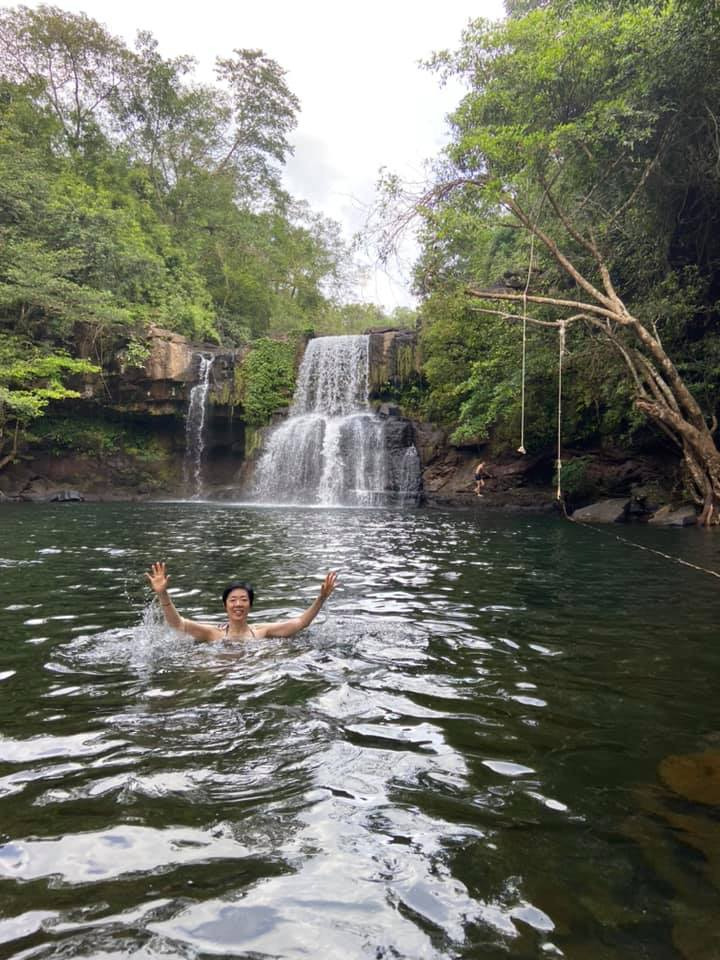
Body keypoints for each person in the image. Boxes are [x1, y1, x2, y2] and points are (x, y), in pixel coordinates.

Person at [145, 561, 338, 642]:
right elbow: (178, 624)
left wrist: (321, 598)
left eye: (244, 600)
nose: (238, 604)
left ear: (250, 605)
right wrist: (163, 594)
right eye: (233, 600)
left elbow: (301, 623)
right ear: (225, 605)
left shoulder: (263, 632)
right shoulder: (213, 634)